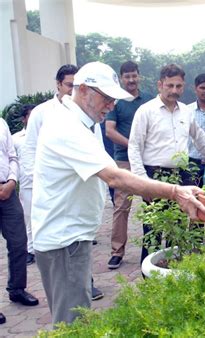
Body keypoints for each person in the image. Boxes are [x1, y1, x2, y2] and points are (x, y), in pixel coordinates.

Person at [32, 61, 205, 325]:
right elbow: (114, 176)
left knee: (75, 319)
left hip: (70, 240)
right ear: (83, 90)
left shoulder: (82, 123)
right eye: (106, 98)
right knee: (73, 325)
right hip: (64, 242)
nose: (112, 105)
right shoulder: (66, 126)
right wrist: (175, 192)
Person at [22, 64, 104, 301]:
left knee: (78, 252)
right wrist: (42, 183)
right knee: (67, 259)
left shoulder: (89, 115)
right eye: (70, 85)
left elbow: (96, 152)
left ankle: (86, 284)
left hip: (78, 198)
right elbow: (29, 152)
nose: (73, 90)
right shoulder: (43, 113)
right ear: (58, 85)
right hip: (56, 197)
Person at [128, 63, 205, 264]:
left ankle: (173, 276)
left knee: (177, 228)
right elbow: (134, 147)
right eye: (169, 86)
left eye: (178, 86)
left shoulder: (186, 112)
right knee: (153, 231)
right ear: (159, 85)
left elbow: (199, 136)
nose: (174, 91)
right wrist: (143, 183)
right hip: (153, 176)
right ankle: (150, 281)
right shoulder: (146, 111)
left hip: (181, 176)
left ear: (183, 86)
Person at [105, 61, 153, 270]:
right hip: (124, 160)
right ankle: (117, 251)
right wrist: (133, 145)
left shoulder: (149, 100)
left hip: (148, 160)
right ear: (121, 79)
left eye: (134, 76)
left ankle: (151, 248)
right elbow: (110, 131)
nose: (131, 80)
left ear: (139, 76)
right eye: (127, 77)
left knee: (153, 204)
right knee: (121, 207)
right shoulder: (115, 103)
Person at [0, 118, 39, 326]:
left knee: (18, 242)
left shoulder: (1, 124)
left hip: (7, 191)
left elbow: (12, 156)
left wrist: (12, 181)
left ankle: (17, 289)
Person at [12, 104, 36, 265]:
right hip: (27, 183)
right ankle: (30, 250)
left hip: (46, 182)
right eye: (30, 115)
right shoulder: (16, 139)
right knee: (28, 217)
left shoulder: (46, 134)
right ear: (24, 119)